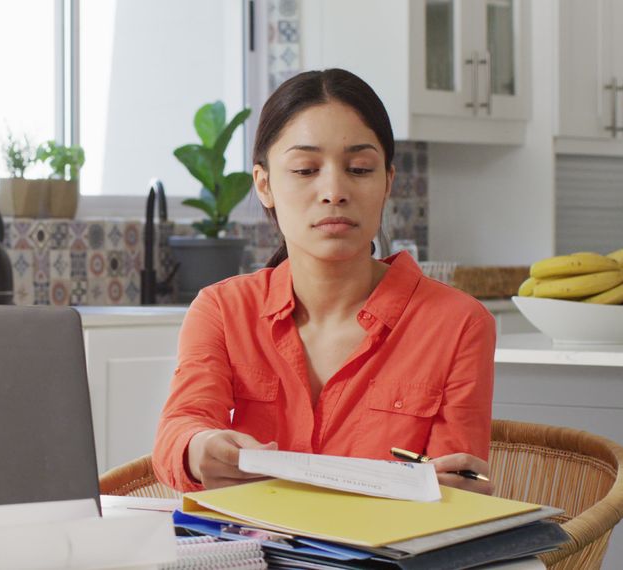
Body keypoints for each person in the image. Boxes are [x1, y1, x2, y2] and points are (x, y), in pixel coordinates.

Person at [153, 68, 495, 496]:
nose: (334, 190)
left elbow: (457, 489)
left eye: (359, 168)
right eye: (304, 170)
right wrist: (198, 447)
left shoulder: (459, 323)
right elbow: (179, 430)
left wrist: (459, 488)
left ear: (387, 181)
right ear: (264, 185)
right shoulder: (222, 310)